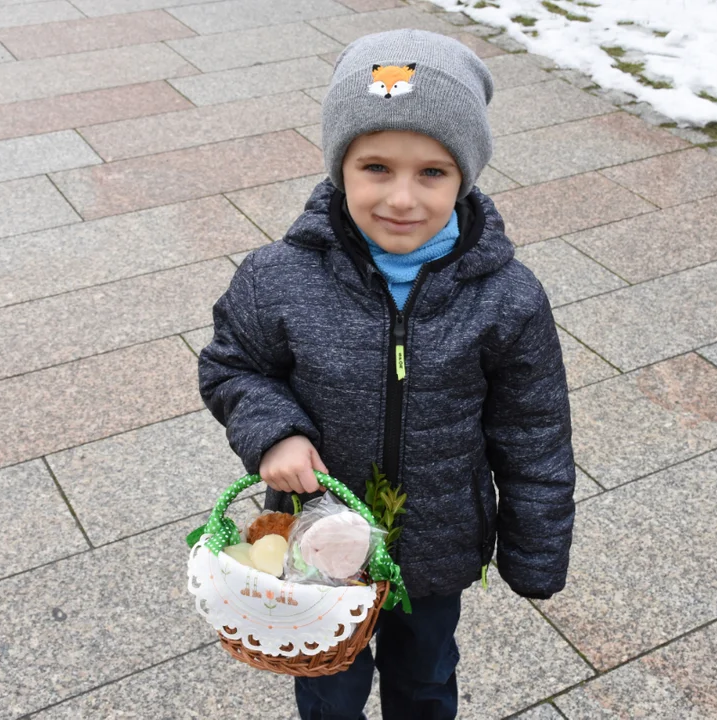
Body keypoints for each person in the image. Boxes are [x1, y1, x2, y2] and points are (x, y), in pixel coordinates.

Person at [198, 29, 576, 720]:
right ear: (339, 166)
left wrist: (536, 548)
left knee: (426, 680)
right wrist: (274, 433)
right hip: (319, 545)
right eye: (375, 167)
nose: (402, 198)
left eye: (432, 172)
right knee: (327, 686)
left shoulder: (507, 298)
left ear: (466, 175)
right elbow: (234, 367)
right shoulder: (277, 279)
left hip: (437, 547)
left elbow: (534, 431)